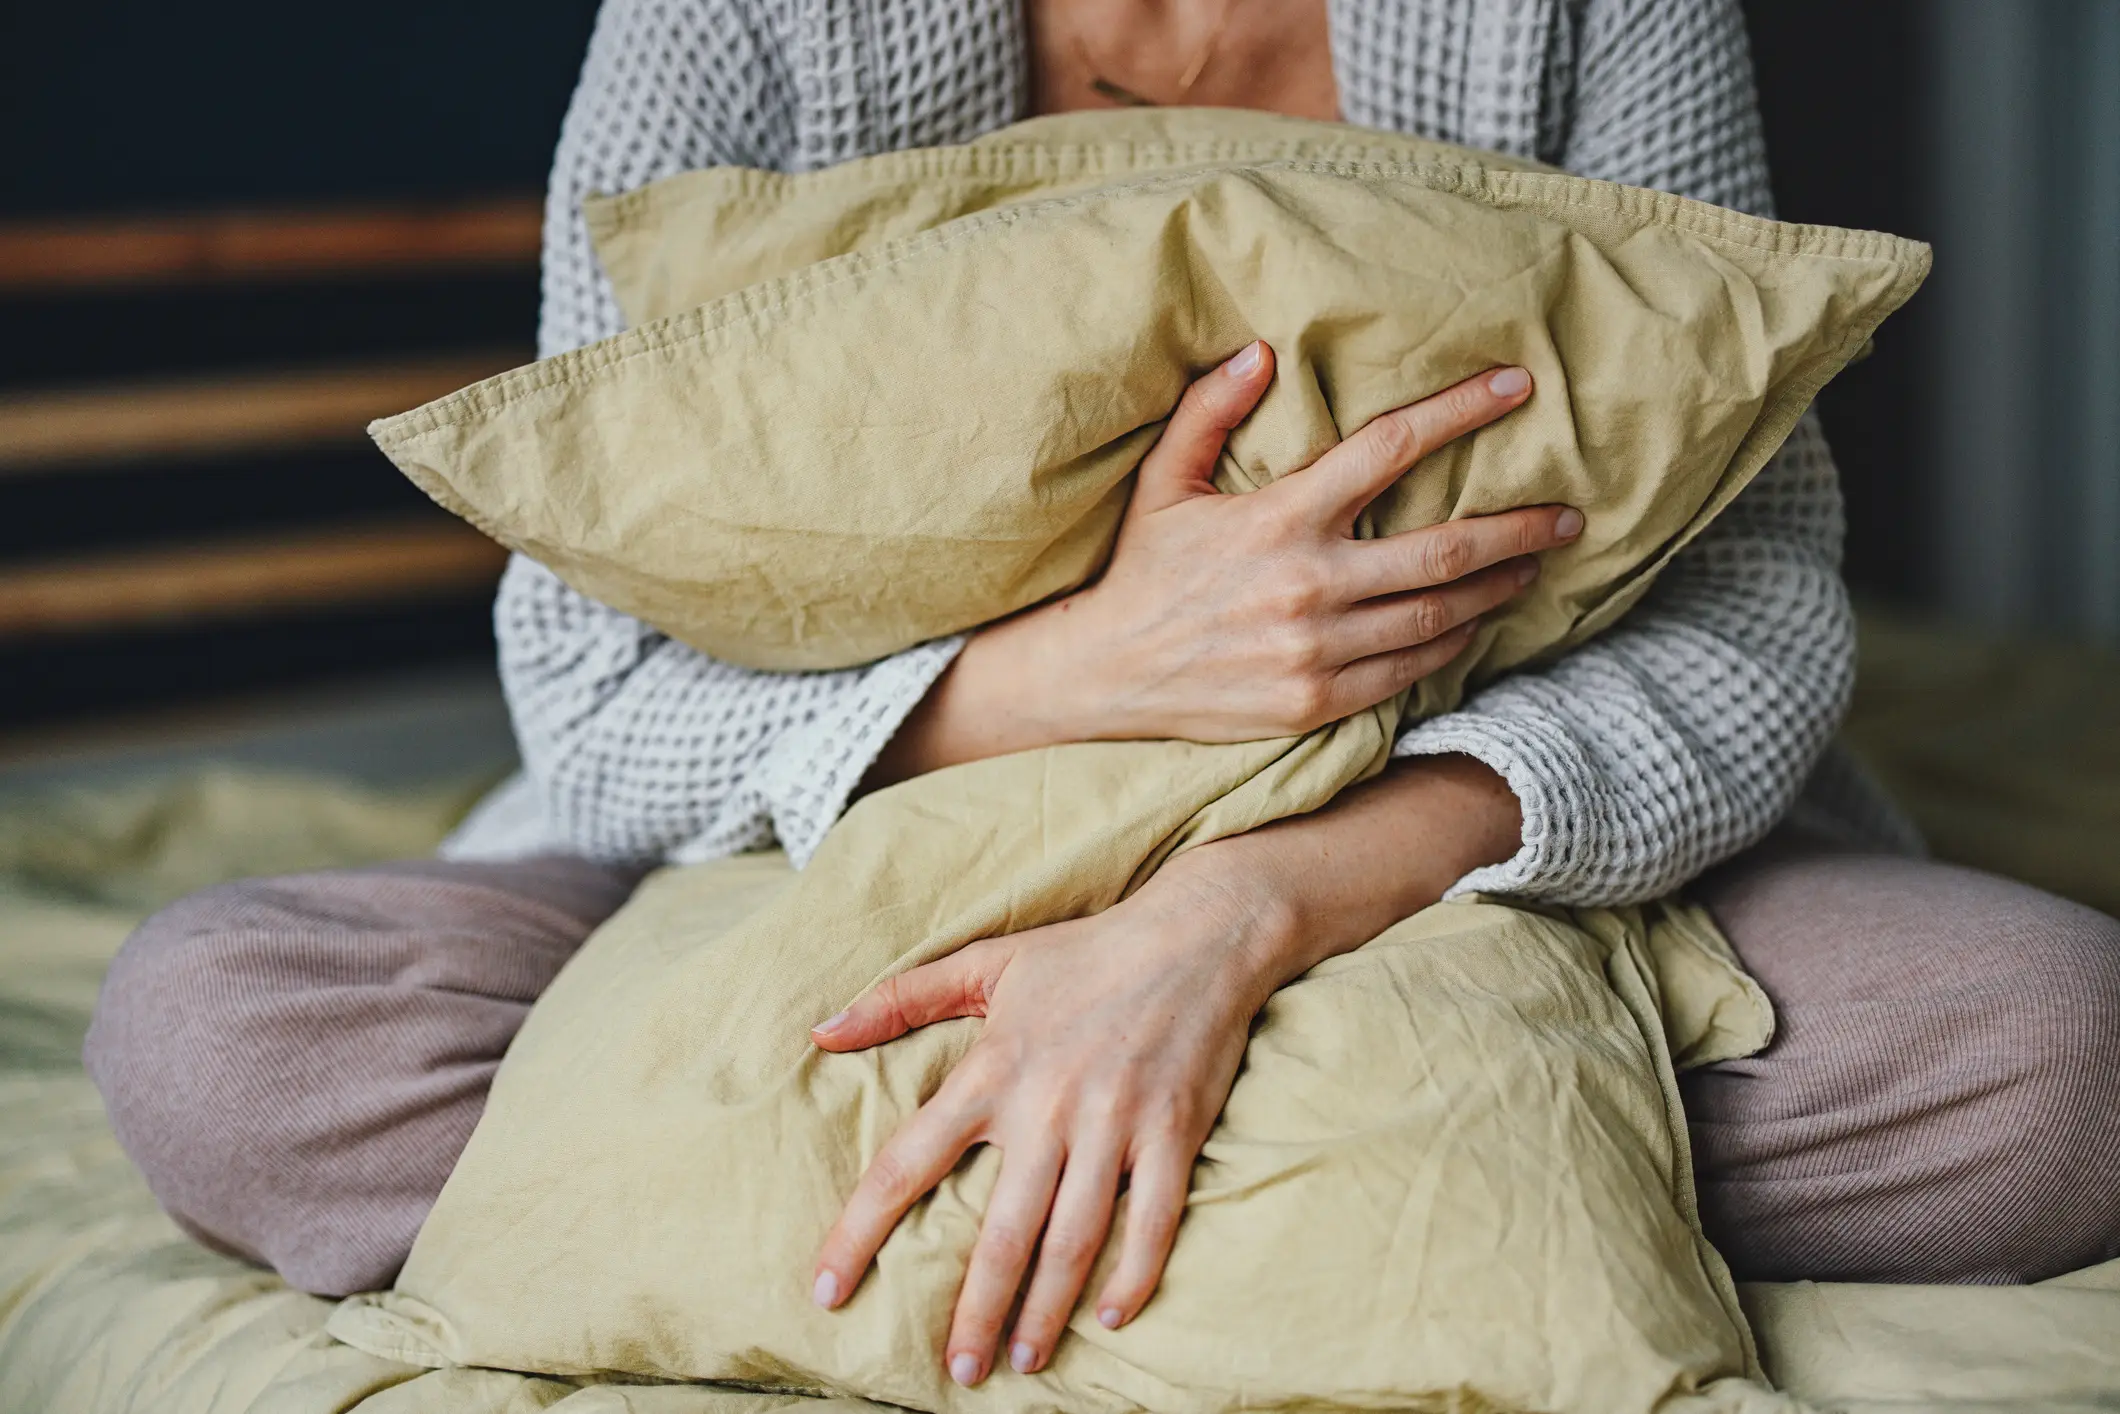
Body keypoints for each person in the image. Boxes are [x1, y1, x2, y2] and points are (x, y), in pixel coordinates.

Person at [85, 0, 2120, 1392]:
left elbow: (1757, 618)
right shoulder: (741, 17)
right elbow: (589, 694)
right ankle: (1344, 1177)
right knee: (223, 1039)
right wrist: (1069, 672)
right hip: (852, 850)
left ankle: (940, 1164)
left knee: (2058, 1060)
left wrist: (1236, 911)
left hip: (1429, 847)